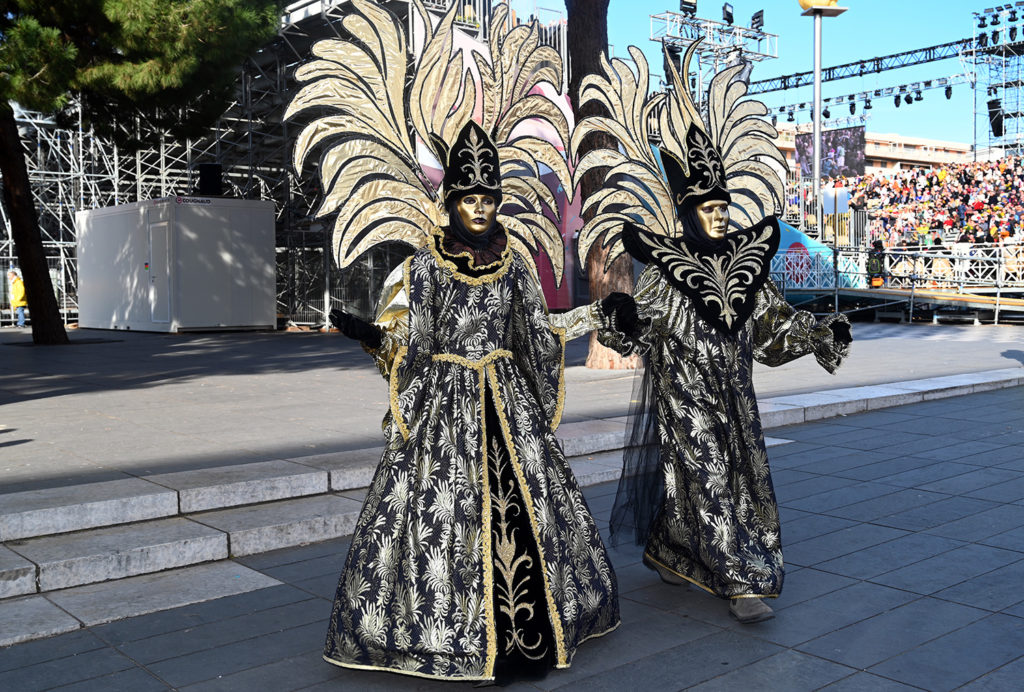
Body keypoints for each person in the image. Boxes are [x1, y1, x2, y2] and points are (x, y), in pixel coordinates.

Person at [288, 3, 630, 683]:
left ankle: (533, 633)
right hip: (446, 406)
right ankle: (445, 638)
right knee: (439, 519)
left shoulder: (512, 266)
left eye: (489, 196)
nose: (479, 206)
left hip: (507, 400)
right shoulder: (426, 266)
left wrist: (595, 316)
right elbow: (409, 341)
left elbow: (535, 334)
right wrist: (367, 333)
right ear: (451, 201)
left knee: (529, 508)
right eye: (469, 196)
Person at [572, 42, 852, 625]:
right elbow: (639, 323)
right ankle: (740, 581)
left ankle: (676, 550)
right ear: (687, 210)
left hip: (737, 396)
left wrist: (821, 332)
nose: (720, 212)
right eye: (706, 204)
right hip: (686, 395)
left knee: (736, 478)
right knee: (708, 474)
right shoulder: (670, 268)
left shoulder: (748, 263)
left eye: (724, 203)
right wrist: (620, 322)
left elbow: (774, 326)